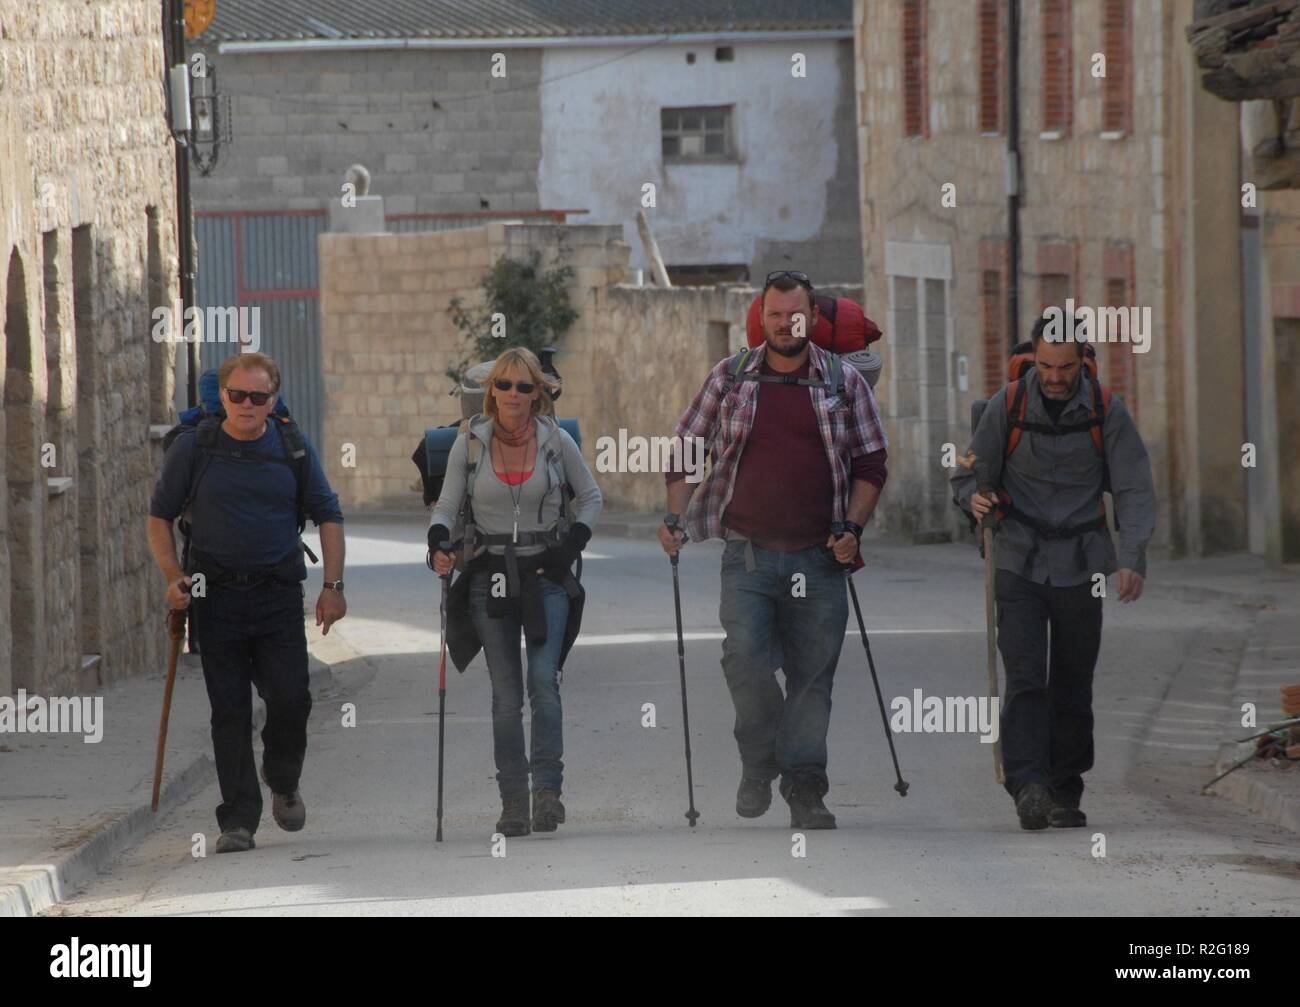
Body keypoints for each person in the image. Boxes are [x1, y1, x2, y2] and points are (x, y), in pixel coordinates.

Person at [658, 270, 889, 829]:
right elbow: (689, 447)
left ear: (812, 317)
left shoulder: (841, 383)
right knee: (746, 664)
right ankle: (759, 762)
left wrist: (852, 529)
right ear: (762, 317)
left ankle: (806, 789)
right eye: (777, 313)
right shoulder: (731, 377)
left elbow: (870, 464)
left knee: (813, 678)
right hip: (749, 556)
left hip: (820, 556)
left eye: (797, 313)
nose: (787, 323)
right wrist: (674, 515)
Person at [951, 314, 1155, 830]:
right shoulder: (1007, 405)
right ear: (1033, 359)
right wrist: (971, 497)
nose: (1056, 376)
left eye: (1065, 367)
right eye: (1045, 365)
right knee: (1023, 674)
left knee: (1072, 678)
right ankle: (1029, 786)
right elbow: (965, 470)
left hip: (1084, 563)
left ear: (1082, 361)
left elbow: (1132, 488)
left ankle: (1066, 788)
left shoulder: (1108, 411)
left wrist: (1131, 558)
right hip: (1017, 557)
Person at [147, 352, 346, 854]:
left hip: (277, 593)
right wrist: (173, 577)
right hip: (214, 597)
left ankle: (282, 777)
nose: (247, 405)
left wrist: (334, 587)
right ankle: (238, 819)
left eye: (259, 397)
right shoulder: (195, 449)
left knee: (291, 697)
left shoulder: (292, 448)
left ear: (272, 400)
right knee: (229, 710)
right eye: (238, 396)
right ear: (224, 399)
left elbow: (328, 514)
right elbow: (159, 517)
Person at [429, 347, 602, 837]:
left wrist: (570, 546)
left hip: (546, 575)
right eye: (504, 385)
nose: (513, 394)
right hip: (490, 577)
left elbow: (590, 497)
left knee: (543, 682)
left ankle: (548, 792)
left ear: (538, 394)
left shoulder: (556, 441)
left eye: (525, 386)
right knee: (506, 695)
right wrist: (438, 541)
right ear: (491, 391)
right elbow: (446, 505)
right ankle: (512, 802)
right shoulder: (471, 443)